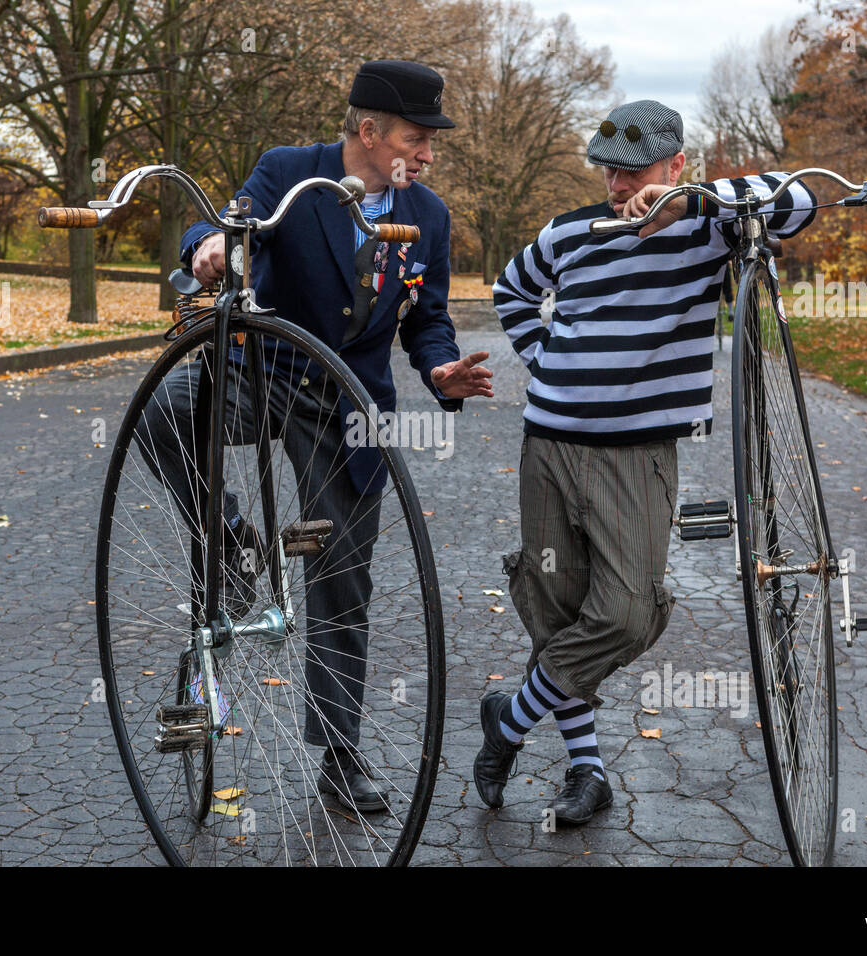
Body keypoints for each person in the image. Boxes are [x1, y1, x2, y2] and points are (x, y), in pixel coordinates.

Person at [135, 60, 493, 813]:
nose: (428, 152)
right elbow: (223, 224)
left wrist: (441, 371)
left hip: (348, 402)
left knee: (339, 578)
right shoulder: (290, 172)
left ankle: (339, 754)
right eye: (416, 137)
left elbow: (425, 319)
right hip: (260, 372)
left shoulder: (426, 214)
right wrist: (204, 248)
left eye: (432, 139)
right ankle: (228, 536)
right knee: (165, 408)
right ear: (369, 132)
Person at [478, 99, 818, 825]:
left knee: (626, 615)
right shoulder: (570, 230)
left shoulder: (706, 228)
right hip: (549, 445)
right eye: (608, 169)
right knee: (556, 608)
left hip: (637, 455)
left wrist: (692, 202)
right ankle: (587, 771)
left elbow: (803, 198)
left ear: (675, 166)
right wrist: (546, 365)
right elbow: (512, 290)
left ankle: (509, 719)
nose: (616, 184)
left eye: (633, 171)